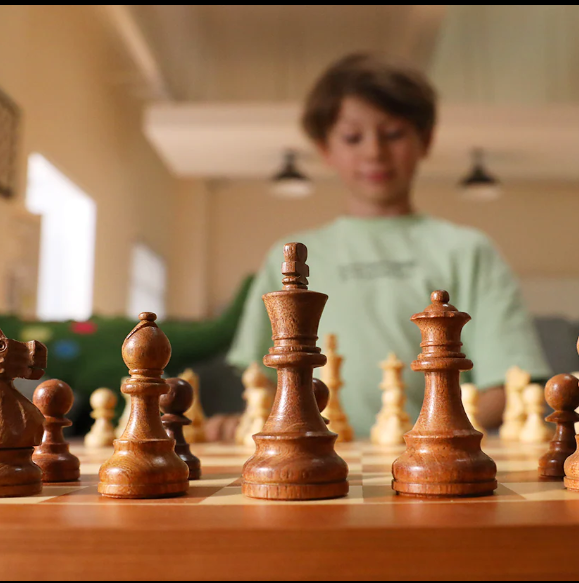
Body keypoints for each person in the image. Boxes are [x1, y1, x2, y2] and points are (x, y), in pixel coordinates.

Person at [226, 53, 549, 437]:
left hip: (435, 469)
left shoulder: (469, 251)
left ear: (425, 140)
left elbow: (510, 385)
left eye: (394, 133)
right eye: (352, 137)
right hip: (316, 463)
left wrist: (436, 434)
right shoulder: (287, 254)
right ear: (325, 148)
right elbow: (260, 380)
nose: (374, 152)